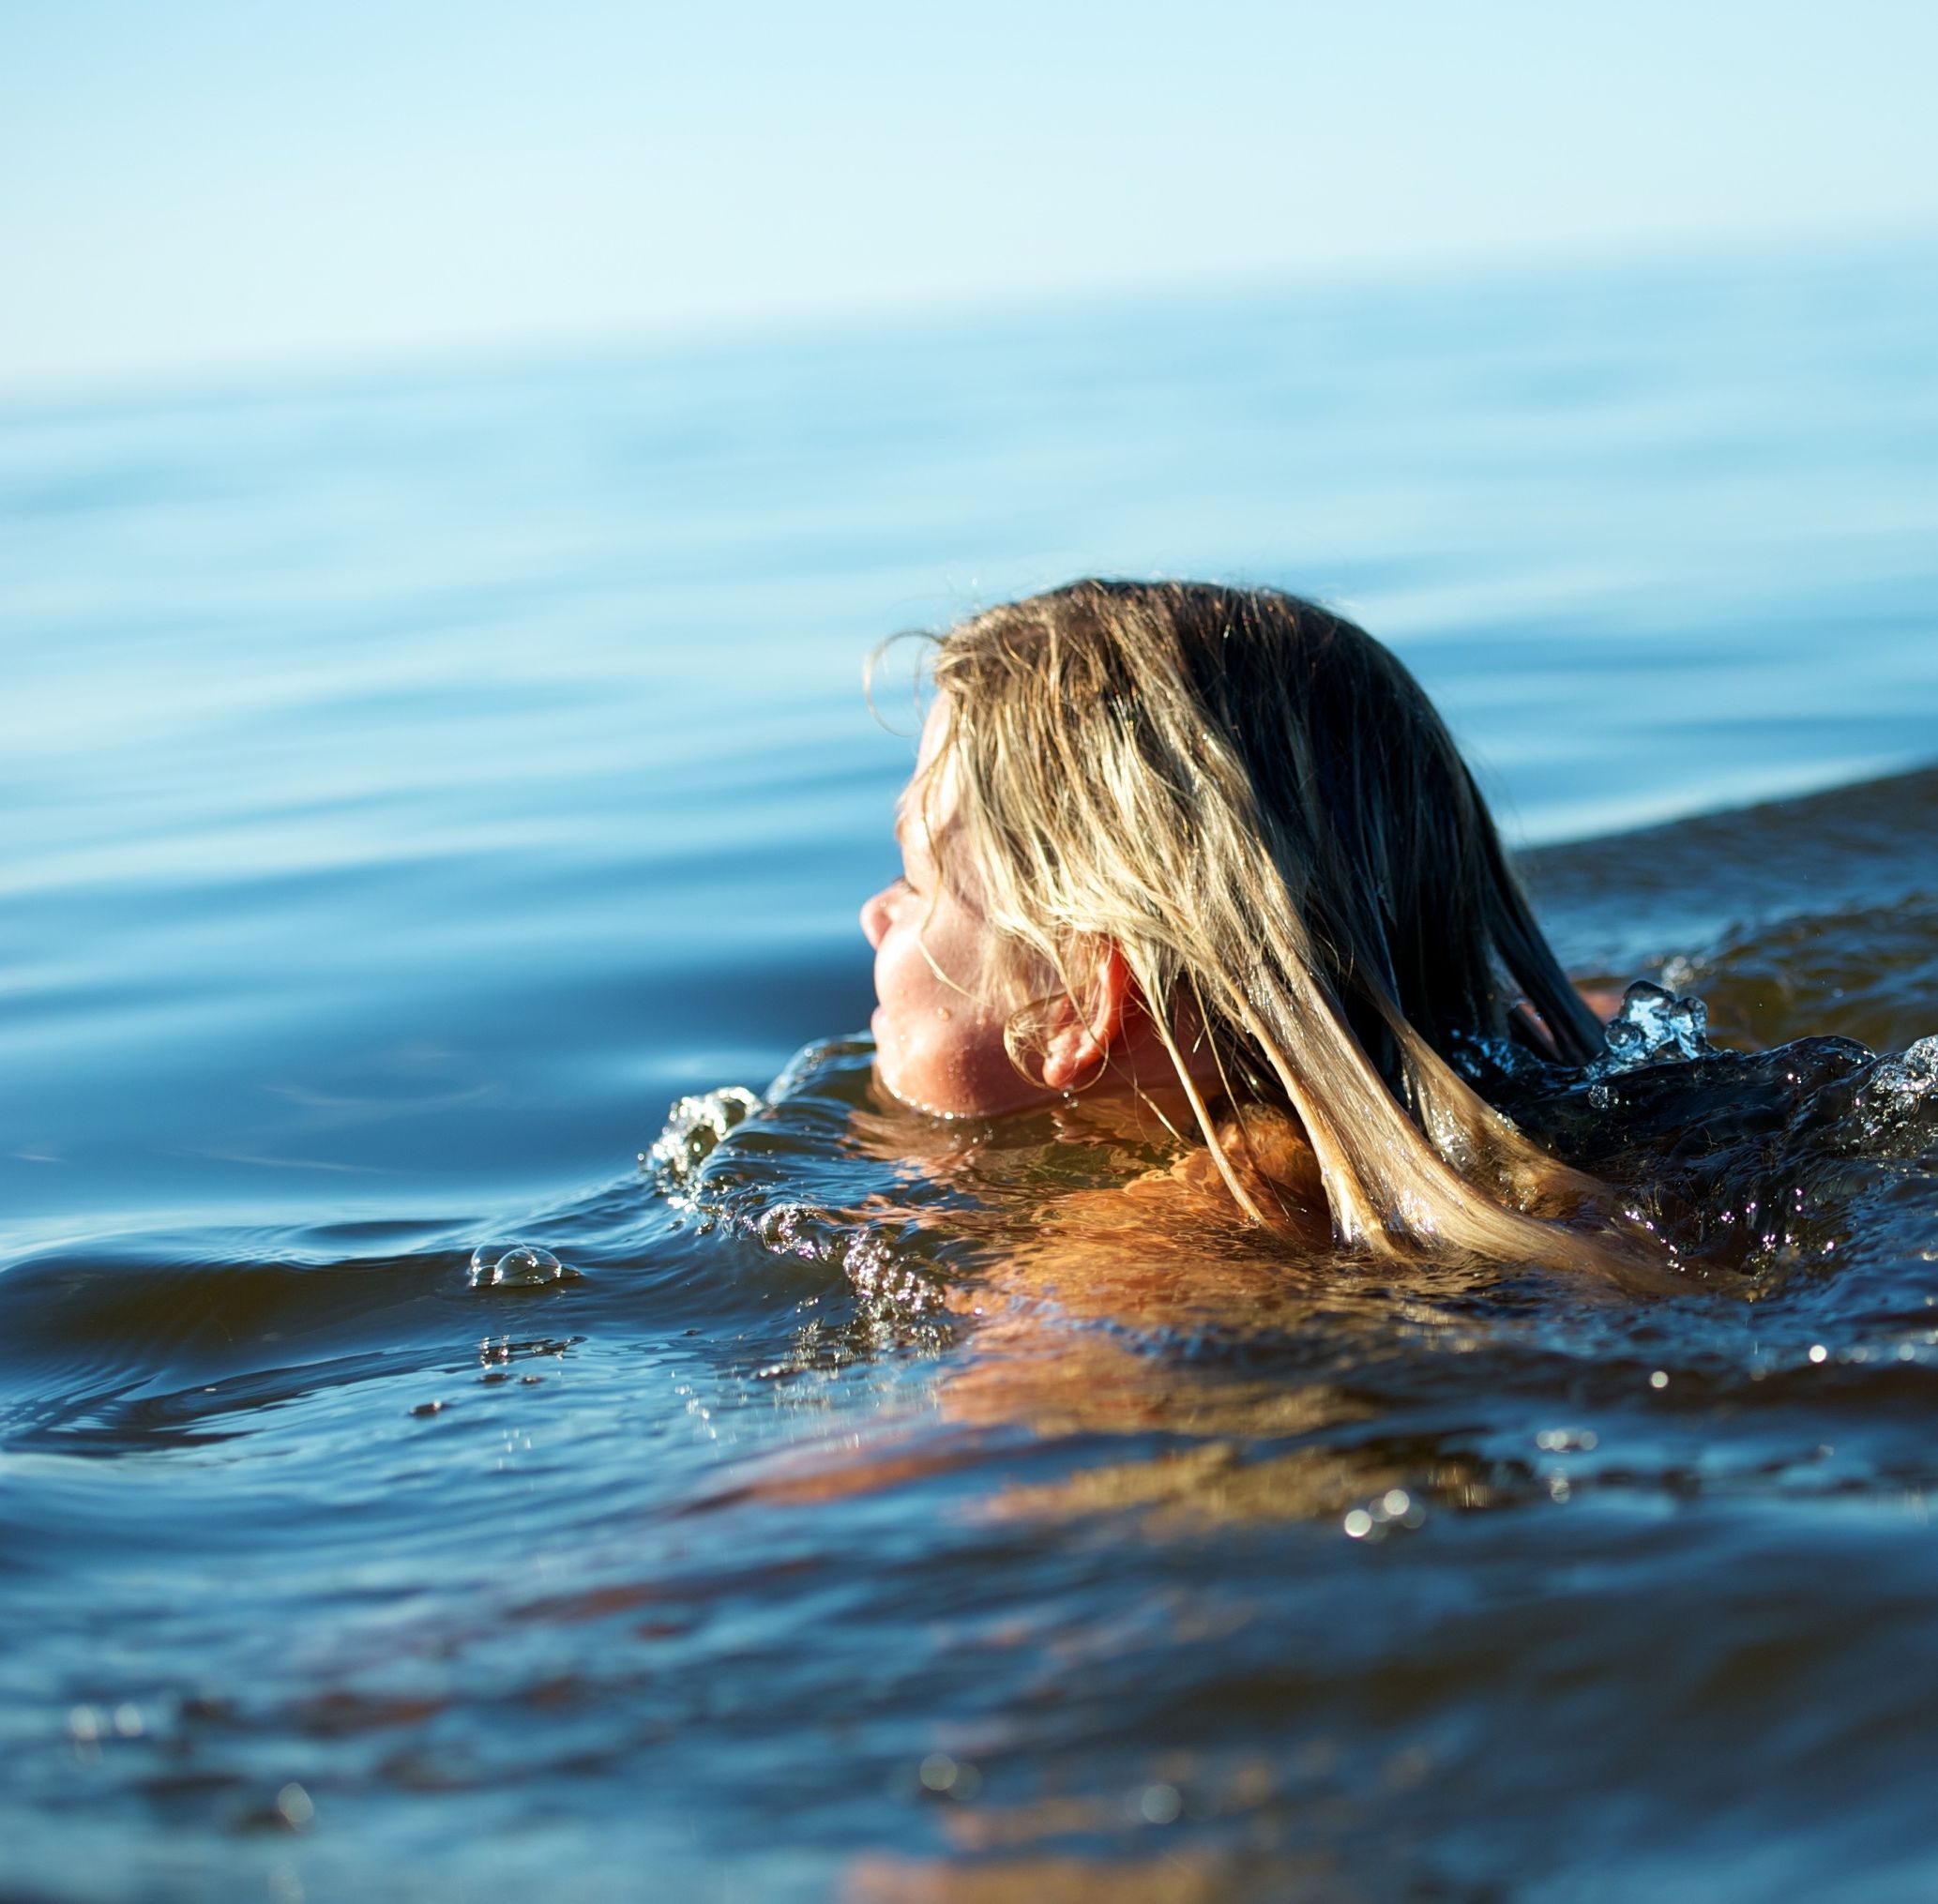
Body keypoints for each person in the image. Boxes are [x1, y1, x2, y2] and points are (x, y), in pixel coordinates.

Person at [858, 578, 1644, 1274]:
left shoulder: (1137, 1265)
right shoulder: (1571, 1048)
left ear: (1077, 1002)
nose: (875, 914)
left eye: (916, 879)